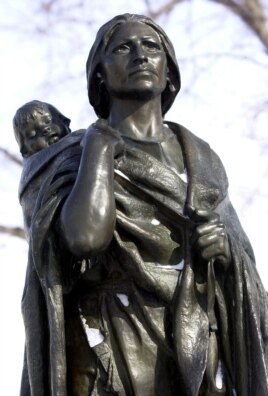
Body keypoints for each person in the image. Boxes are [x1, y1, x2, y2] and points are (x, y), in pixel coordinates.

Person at [18, 14, 268, 396]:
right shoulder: (75, 156)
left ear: (168, 71)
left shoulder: (201, 158)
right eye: (123, 48)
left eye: (151, 47)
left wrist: (226, 252)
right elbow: (84, 239)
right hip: (112, 346)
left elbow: (241, 257)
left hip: (198, 346)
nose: (140, 55)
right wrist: (99, 150)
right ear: (99, 75)